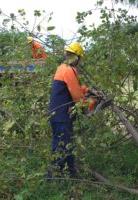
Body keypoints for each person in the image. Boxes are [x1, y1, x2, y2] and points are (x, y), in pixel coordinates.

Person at [47, 42, 96, 178]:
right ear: (77, 57)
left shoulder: (63, 68)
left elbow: (74, 87)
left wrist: (88, 90)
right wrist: (90, 104)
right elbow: (77, 96)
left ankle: (72, 174)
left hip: (59, 114)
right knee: (62, 147)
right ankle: (53, 178)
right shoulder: (69, 70)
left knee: (68, 144)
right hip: (62, 115)